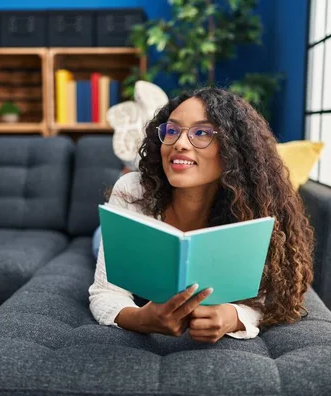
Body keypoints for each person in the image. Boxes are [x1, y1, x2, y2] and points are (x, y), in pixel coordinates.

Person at [89, 87, 314, 343]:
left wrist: (233, 315)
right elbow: (105, 292)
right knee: (99, 241)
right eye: (172, 131)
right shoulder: (132, 190)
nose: (180, 144)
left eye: (202, 133)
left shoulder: (252, 209)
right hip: (116, 228)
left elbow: (271, 296)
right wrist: (142, 319)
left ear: (232, 149)